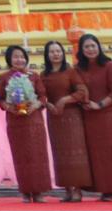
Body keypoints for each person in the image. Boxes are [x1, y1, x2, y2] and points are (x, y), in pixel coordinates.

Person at [73, 32, 112, 201]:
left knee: (110, 150)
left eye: (93, 46)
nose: (90, 49)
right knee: (94, 152)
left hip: (107, 114)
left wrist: (99, 104)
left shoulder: (108, 65)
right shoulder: (78, 68)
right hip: (88, 116)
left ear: (98, 47)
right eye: (87, 47)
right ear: (81, 50)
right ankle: (101, 188)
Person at [0, 44, 51, 202]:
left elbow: (43, 96)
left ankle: (39, 191)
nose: (19, 60)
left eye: (22, 57)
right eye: (15, 57)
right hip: (16, 122)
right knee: (21, 156)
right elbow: (0, 98)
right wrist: (8, 107)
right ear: (9, 59)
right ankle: (26, 192)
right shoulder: (4, 77)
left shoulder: (34, 76)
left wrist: (36, 105)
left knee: (38, 155)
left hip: (34, 120)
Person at [38, 39, 91, 201]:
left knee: (76, 153)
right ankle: (67, 189)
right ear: (47, 55)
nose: (56, 54)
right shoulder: (43, 74)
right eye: (52, 51)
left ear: (63, 53)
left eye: (58, 51)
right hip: (54, 117)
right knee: (60, 154)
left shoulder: (70, 71)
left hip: (72, 116)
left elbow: (82, 91)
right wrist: (47, 104)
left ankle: (77, 189)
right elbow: (40, 94)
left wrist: (64, 100)